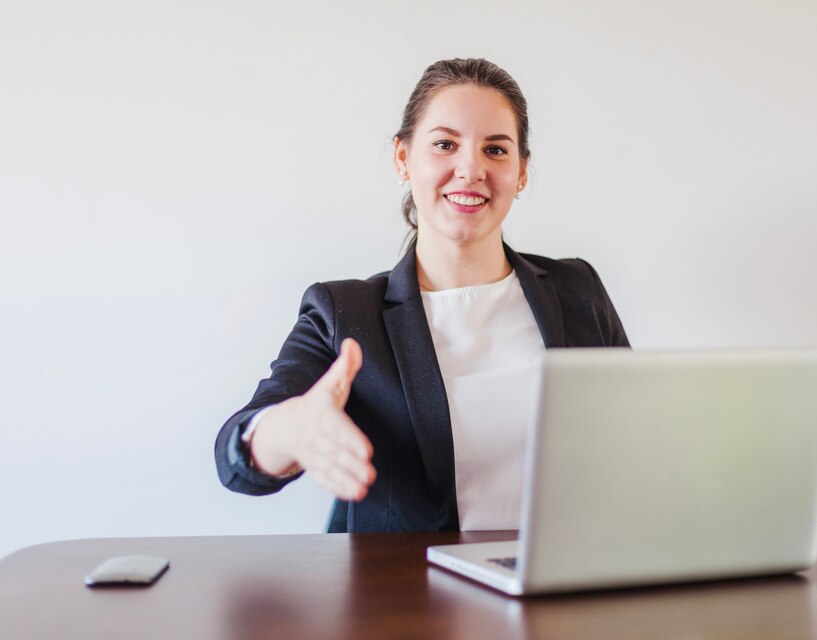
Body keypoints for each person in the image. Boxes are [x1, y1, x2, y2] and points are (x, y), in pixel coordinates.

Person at [215, 58, 629, 533]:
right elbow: (236, 456)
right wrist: (290, 429)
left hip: (563, 592)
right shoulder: (346, 312)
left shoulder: (578, 290)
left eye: (496, 149)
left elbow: (633, 439)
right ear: (402, 158)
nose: (470, 168)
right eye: (445, 144)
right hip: (409, 601)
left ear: (521, 172)